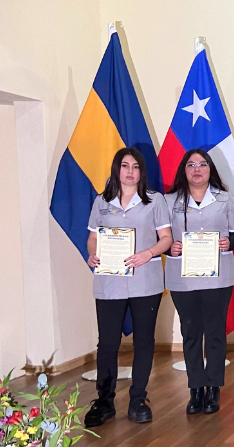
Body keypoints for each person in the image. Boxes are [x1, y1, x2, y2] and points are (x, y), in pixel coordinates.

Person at [83, 148, 172, 427]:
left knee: (144, 340)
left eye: (135, 166)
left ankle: (137, 398)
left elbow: (166, 238)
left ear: (141, 172)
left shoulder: (155, 201)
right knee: (107, 343)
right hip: (109, 282)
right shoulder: (102, 201)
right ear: (116, 169)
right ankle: (105, 401)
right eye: (125, 166)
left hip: (146, 280)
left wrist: (148, 253)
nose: (130, 171)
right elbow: (92, 238)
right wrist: (91, 254)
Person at [164, 149, 234, 415]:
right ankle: (195, 388)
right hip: (182, 277)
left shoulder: (225, 199)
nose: (197, 169)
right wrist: (169, 248)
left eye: (202, 164)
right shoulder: (169, 201)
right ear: (183, 170)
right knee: (190, 332)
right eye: (191, 165)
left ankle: (214, 388)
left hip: (218, 276)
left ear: (210, 169)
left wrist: (228, 243)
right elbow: (161, 236)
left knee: (215, 332)